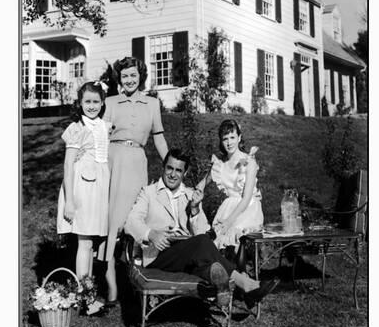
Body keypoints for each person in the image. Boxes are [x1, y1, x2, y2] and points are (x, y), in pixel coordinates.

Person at [124, 148, 278, 309]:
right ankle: (245, 285)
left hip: (187, 254)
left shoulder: (191, 195)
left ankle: (227, 284)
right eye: (169, 168)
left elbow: (203, 233)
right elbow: (131, 221)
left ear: (185, 173)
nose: (173, 174)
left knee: (207, 260)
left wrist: (195, 210)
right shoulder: (148, 193)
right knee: (201, 244)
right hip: (159, 255)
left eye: (178, 170)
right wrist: (151, 234)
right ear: (163, 167)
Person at [101, 56, 168, 305]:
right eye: (125, 75)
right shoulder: (110, 102)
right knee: (112, 225)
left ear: (141, 76)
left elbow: (159, 138)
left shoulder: (152, 104)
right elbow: (100, 138)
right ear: (120, 78)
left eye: (133, 75)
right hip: (113, 163)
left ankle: (141, 282)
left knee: (137, 220)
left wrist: (172, 163)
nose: (129, 80)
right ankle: (111, 288)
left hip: (138, 163)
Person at [56, 81, 111, 314]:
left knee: (90, 243)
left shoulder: (103, 126)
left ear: (102, 103)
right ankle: (85, 296)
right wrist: (69, 200)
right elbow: (68, 165)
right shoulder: (77, 129)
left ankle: (87, 292)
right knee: (84, 242)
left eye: (96, 101)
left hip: (98, 188)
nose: (91, 106)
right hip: (82, 190)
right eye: (87, 101)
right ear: (80, 104)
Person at [195, 119, 264, 251]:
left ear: (239, 138)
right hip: (229, 207)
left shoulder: (249, 162)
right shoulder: (221, 165)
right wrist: (199, 187)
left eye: (232, 137)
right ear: (221, 141)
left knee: (234, 235)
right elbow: (206, 179)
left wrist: (229, 221)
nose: (229, 142)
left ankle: (241, 268)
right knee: (218, 241)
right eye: (225, 138)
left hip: (247, 208)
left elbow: (247, 198)